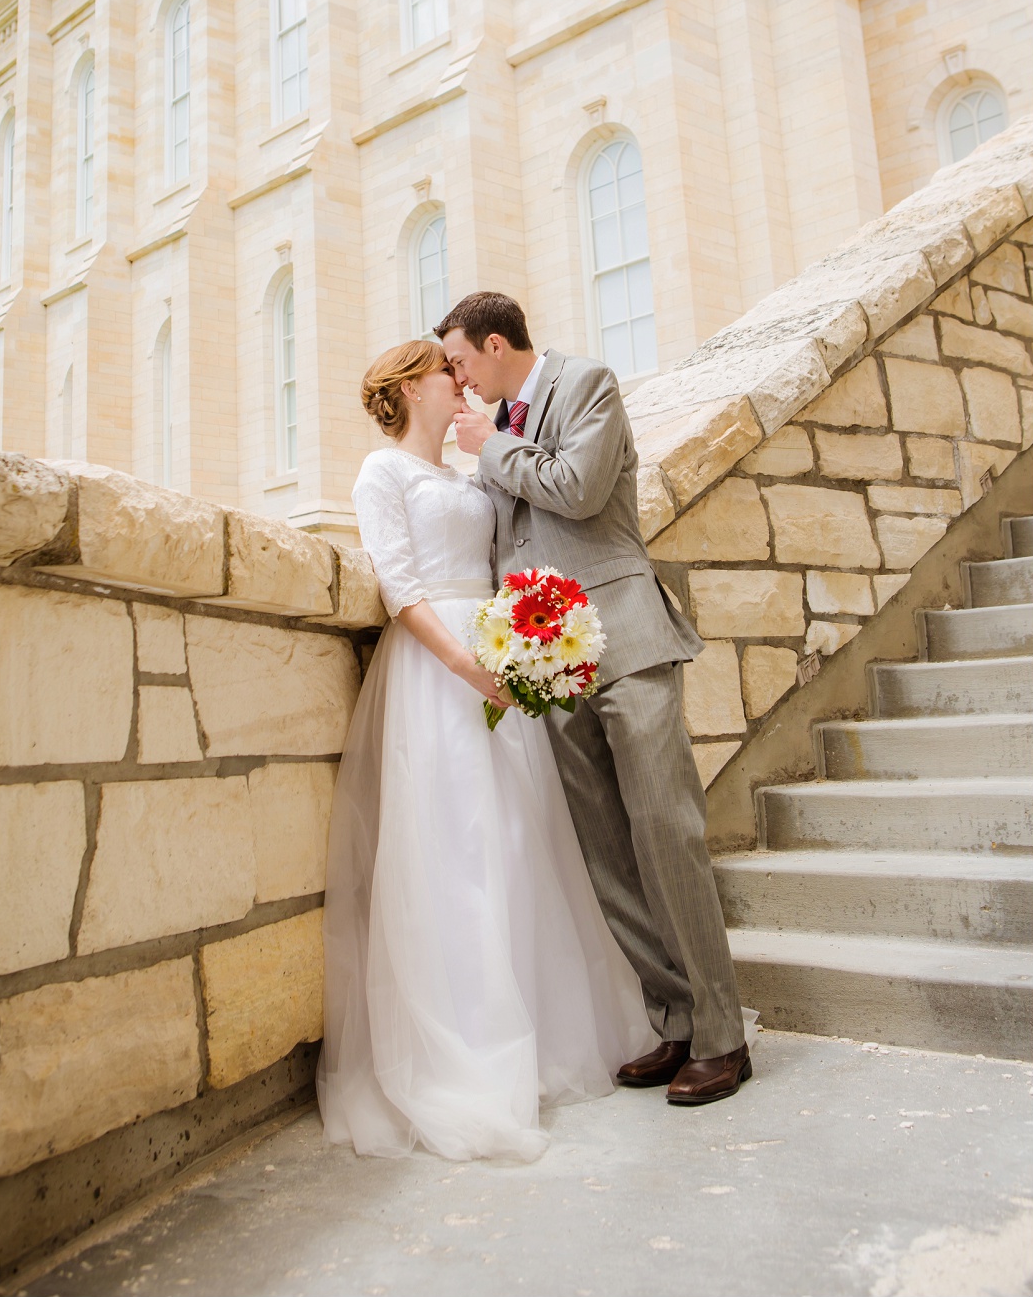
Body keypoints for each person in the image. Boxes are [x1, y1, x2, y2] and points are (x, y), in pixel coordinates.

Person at [317, 339, 659, 1161]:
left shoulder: (471, 476)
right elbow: (399, 585)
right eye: (445, 369)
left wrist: (528, 643)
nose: (459, 377)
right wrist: (467, 664)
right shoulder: (383, 474)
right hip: (441, 673)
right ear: (409, 385)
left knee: (525, 840)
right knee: (458, 848)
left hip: (506, 668)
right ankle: (468, 1050)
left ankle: (546, 1035)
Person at [439, 292, 751, 1107]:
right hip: (550, 664)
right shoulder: (500, 422)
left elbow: (576, 490)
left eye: (463, 361)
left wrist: (492, 447)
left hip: (627, 640)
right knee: (607, 852)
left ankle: (723, 1037)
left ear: (497, 343)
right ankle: (674, 1021)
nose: (460, 379)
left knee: (666, 832)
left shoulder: (587, 385)